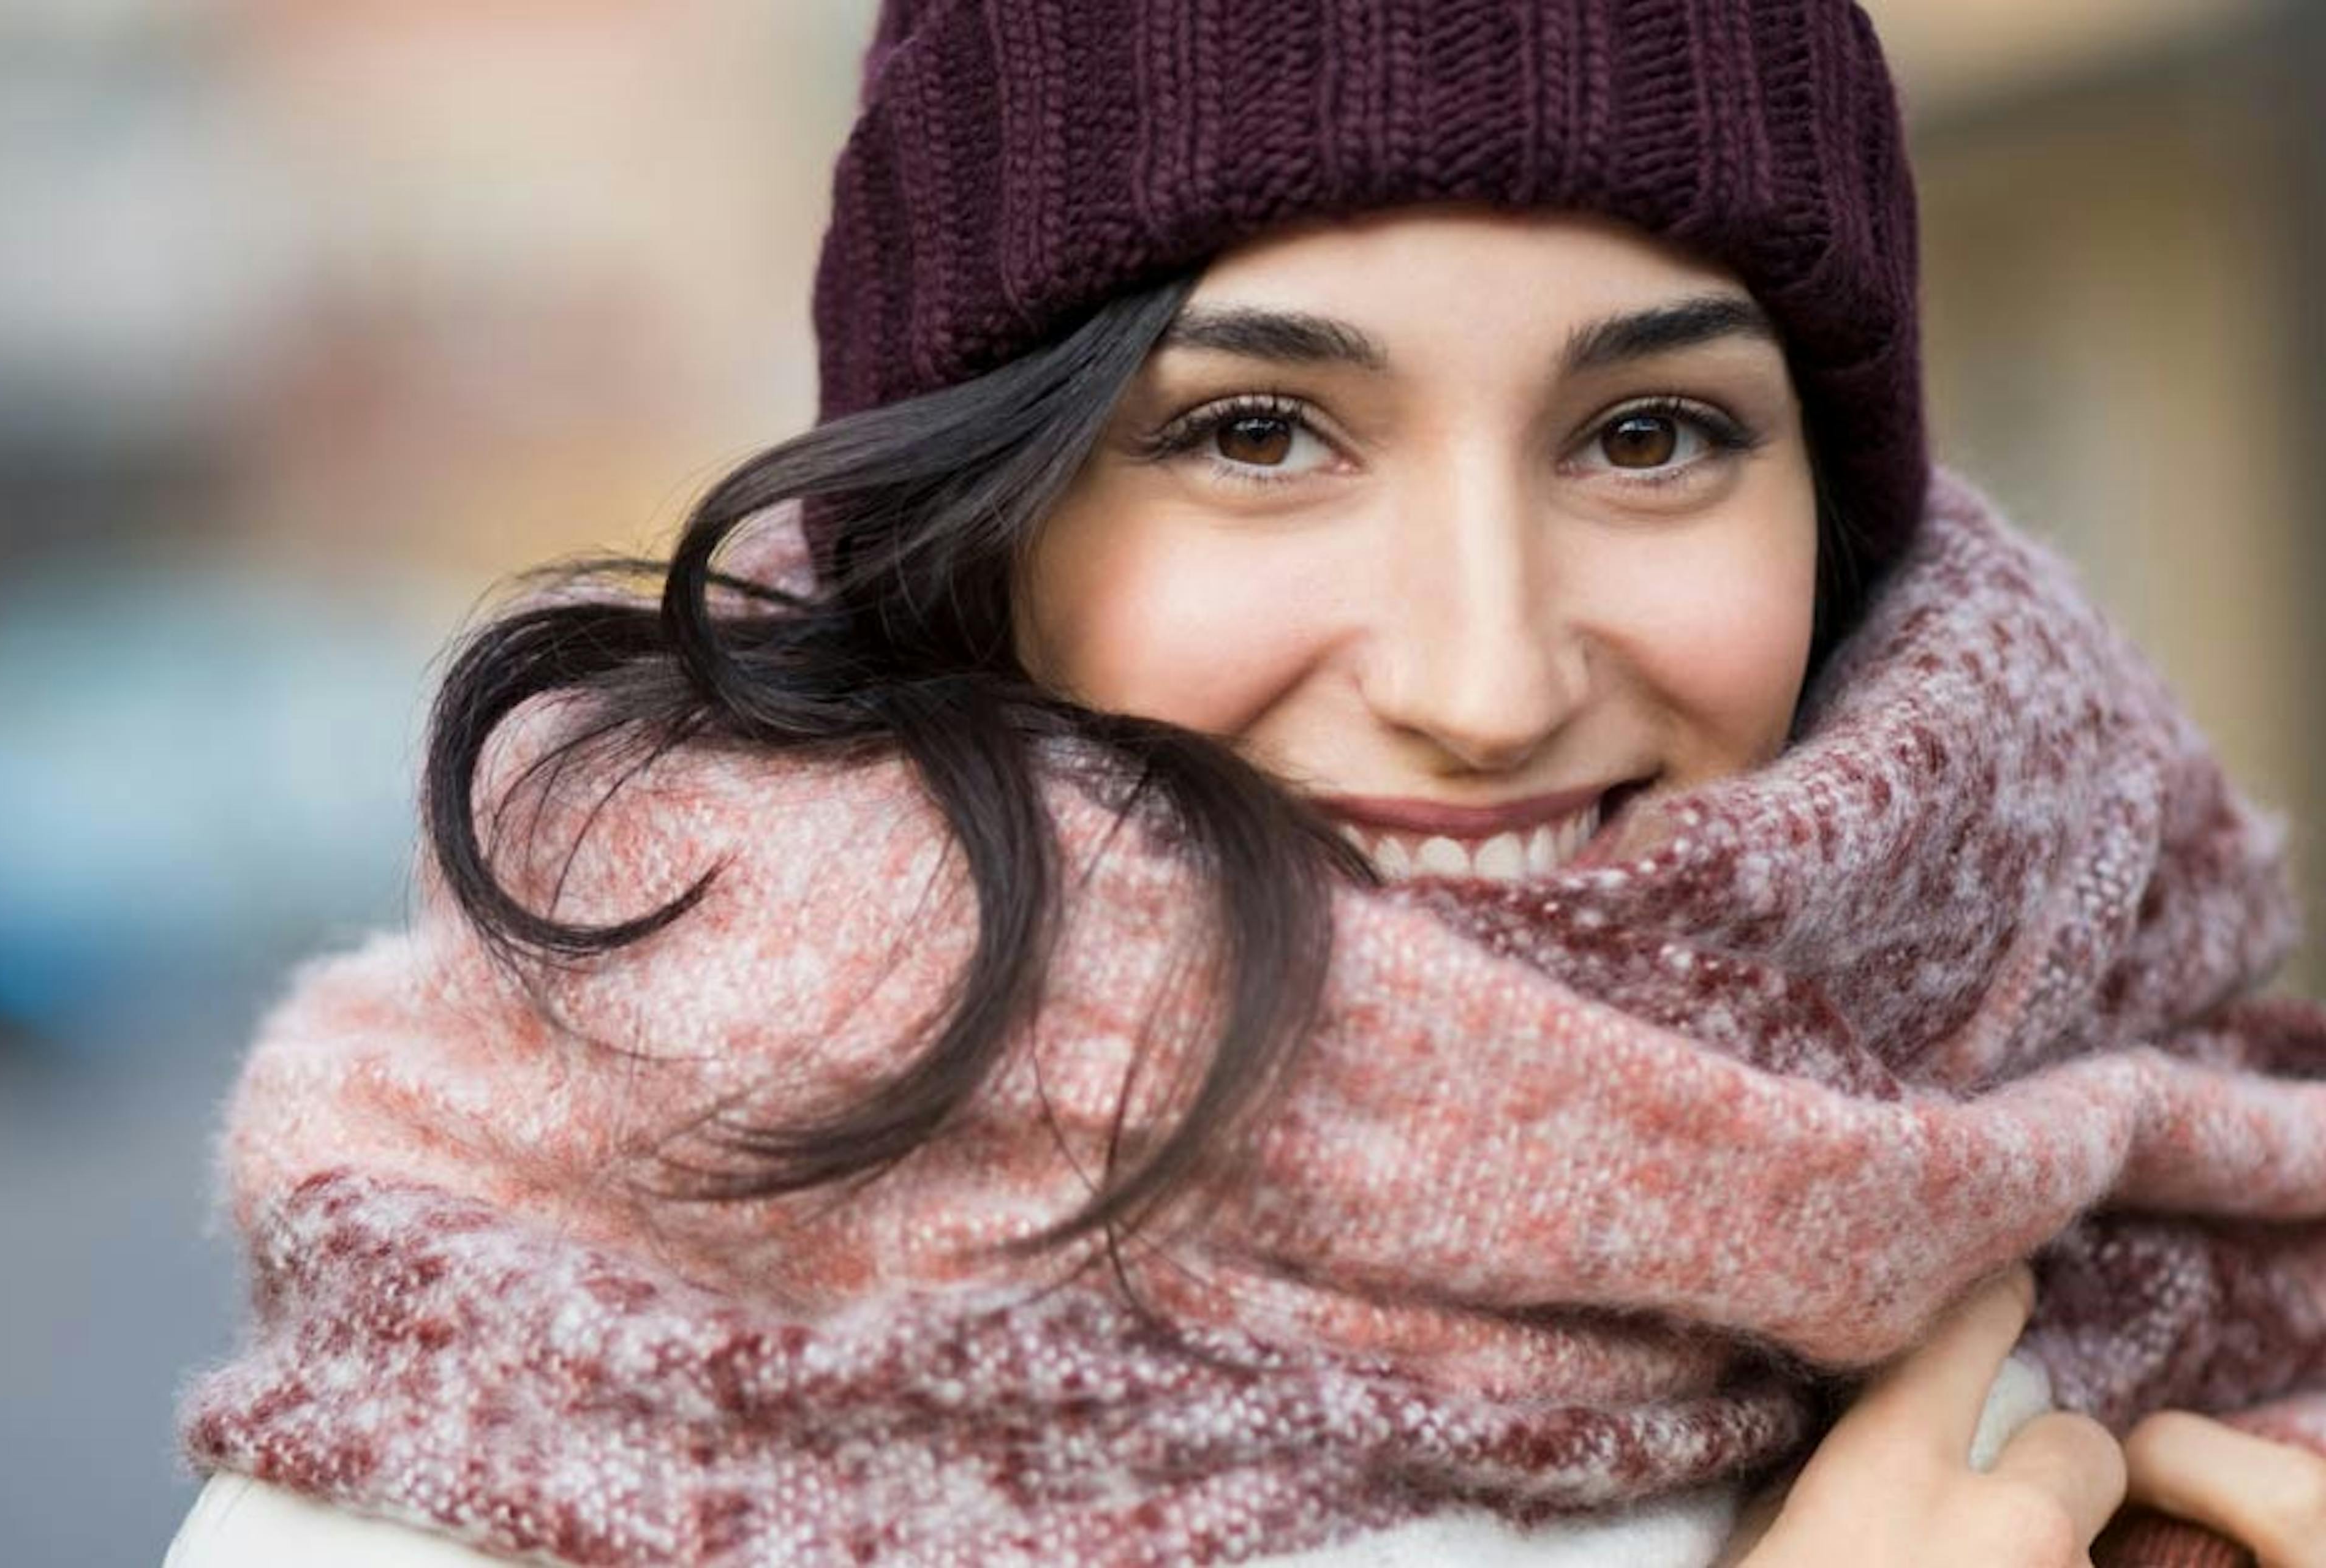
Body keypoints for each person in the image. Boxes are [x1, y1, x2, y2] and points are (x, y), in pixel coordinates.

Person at [168, 2, 2326, 1564]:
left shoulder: (2168, 1195)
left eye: (1651, 435)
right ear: (980, 516)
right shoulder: (528, 1397)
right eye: (1256, 435)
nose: (1483, 681)